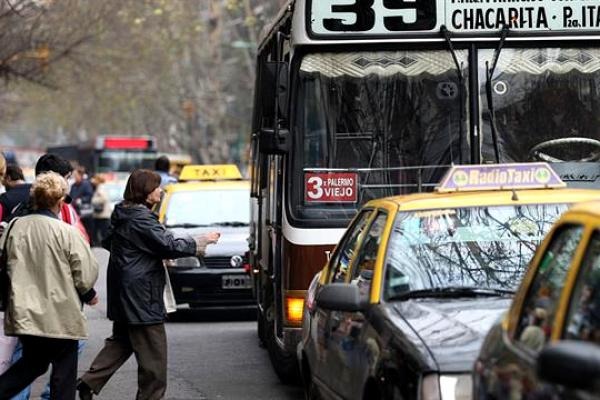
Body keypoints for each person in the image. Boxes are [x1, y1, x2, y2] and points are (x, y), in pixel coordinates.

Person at [77, 169, 219, 400]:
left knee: (121, 343)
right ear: (145, 191)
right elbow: (168, 245)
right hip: (141, 294)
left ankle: (88, 382)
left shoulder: (123, 213)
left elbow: (111, 242)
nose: (160, 191)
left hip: (125, 290)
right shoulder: (140, 218)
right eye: (156, 187)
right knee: (154, 358)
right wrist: (201, 240)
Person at [0, 172, 99, 399]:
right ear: (59, 200)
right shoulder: (66, 232)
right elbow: (84, 273)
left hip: (25, 313)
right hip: (61, 315)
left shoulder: (15, 227)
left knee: (32, 364)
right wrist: (89, 294)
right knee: (63, 373)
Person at [70, 165, 95, 238]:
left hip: (84, 211)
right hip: (75, 211)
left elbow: (89, 196)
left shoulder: (86, 184)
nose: (74, 177)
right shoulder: (73, 185)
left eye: (76, 175)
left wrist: (81, 200)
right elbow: (71, 196)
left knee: (86, 229)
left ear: (80, 175)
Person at [90, 175, 110, 247]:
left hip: (102, 214)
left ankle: (101, 244)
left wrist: (94, 201)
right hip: (101, 214)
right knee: (101, 231)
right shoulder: (100, 187)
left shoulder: (101, 188)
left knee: (102, 231)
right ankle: (100, 243)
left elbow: (103, 198)